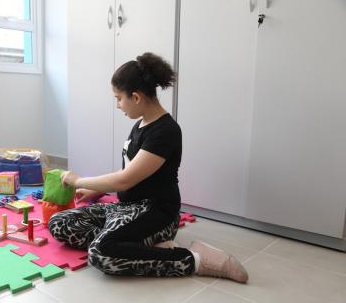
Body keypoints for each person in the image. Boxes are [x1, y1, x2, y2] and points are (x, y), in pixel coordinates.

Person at [49, 52, 248, 282]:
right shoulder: (140, 125)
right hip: (126, 209)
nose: (117, 105)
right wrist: (98, 190)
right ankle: (139, 247)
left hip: (156, 212)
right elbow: (129, 171)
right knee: (60, 223)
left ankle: (196, 259)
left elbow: (125, 180)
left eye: (118, 98)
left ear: (135, 97)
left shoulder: (166, 131)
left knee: (100, 252)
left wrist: (77, 180)